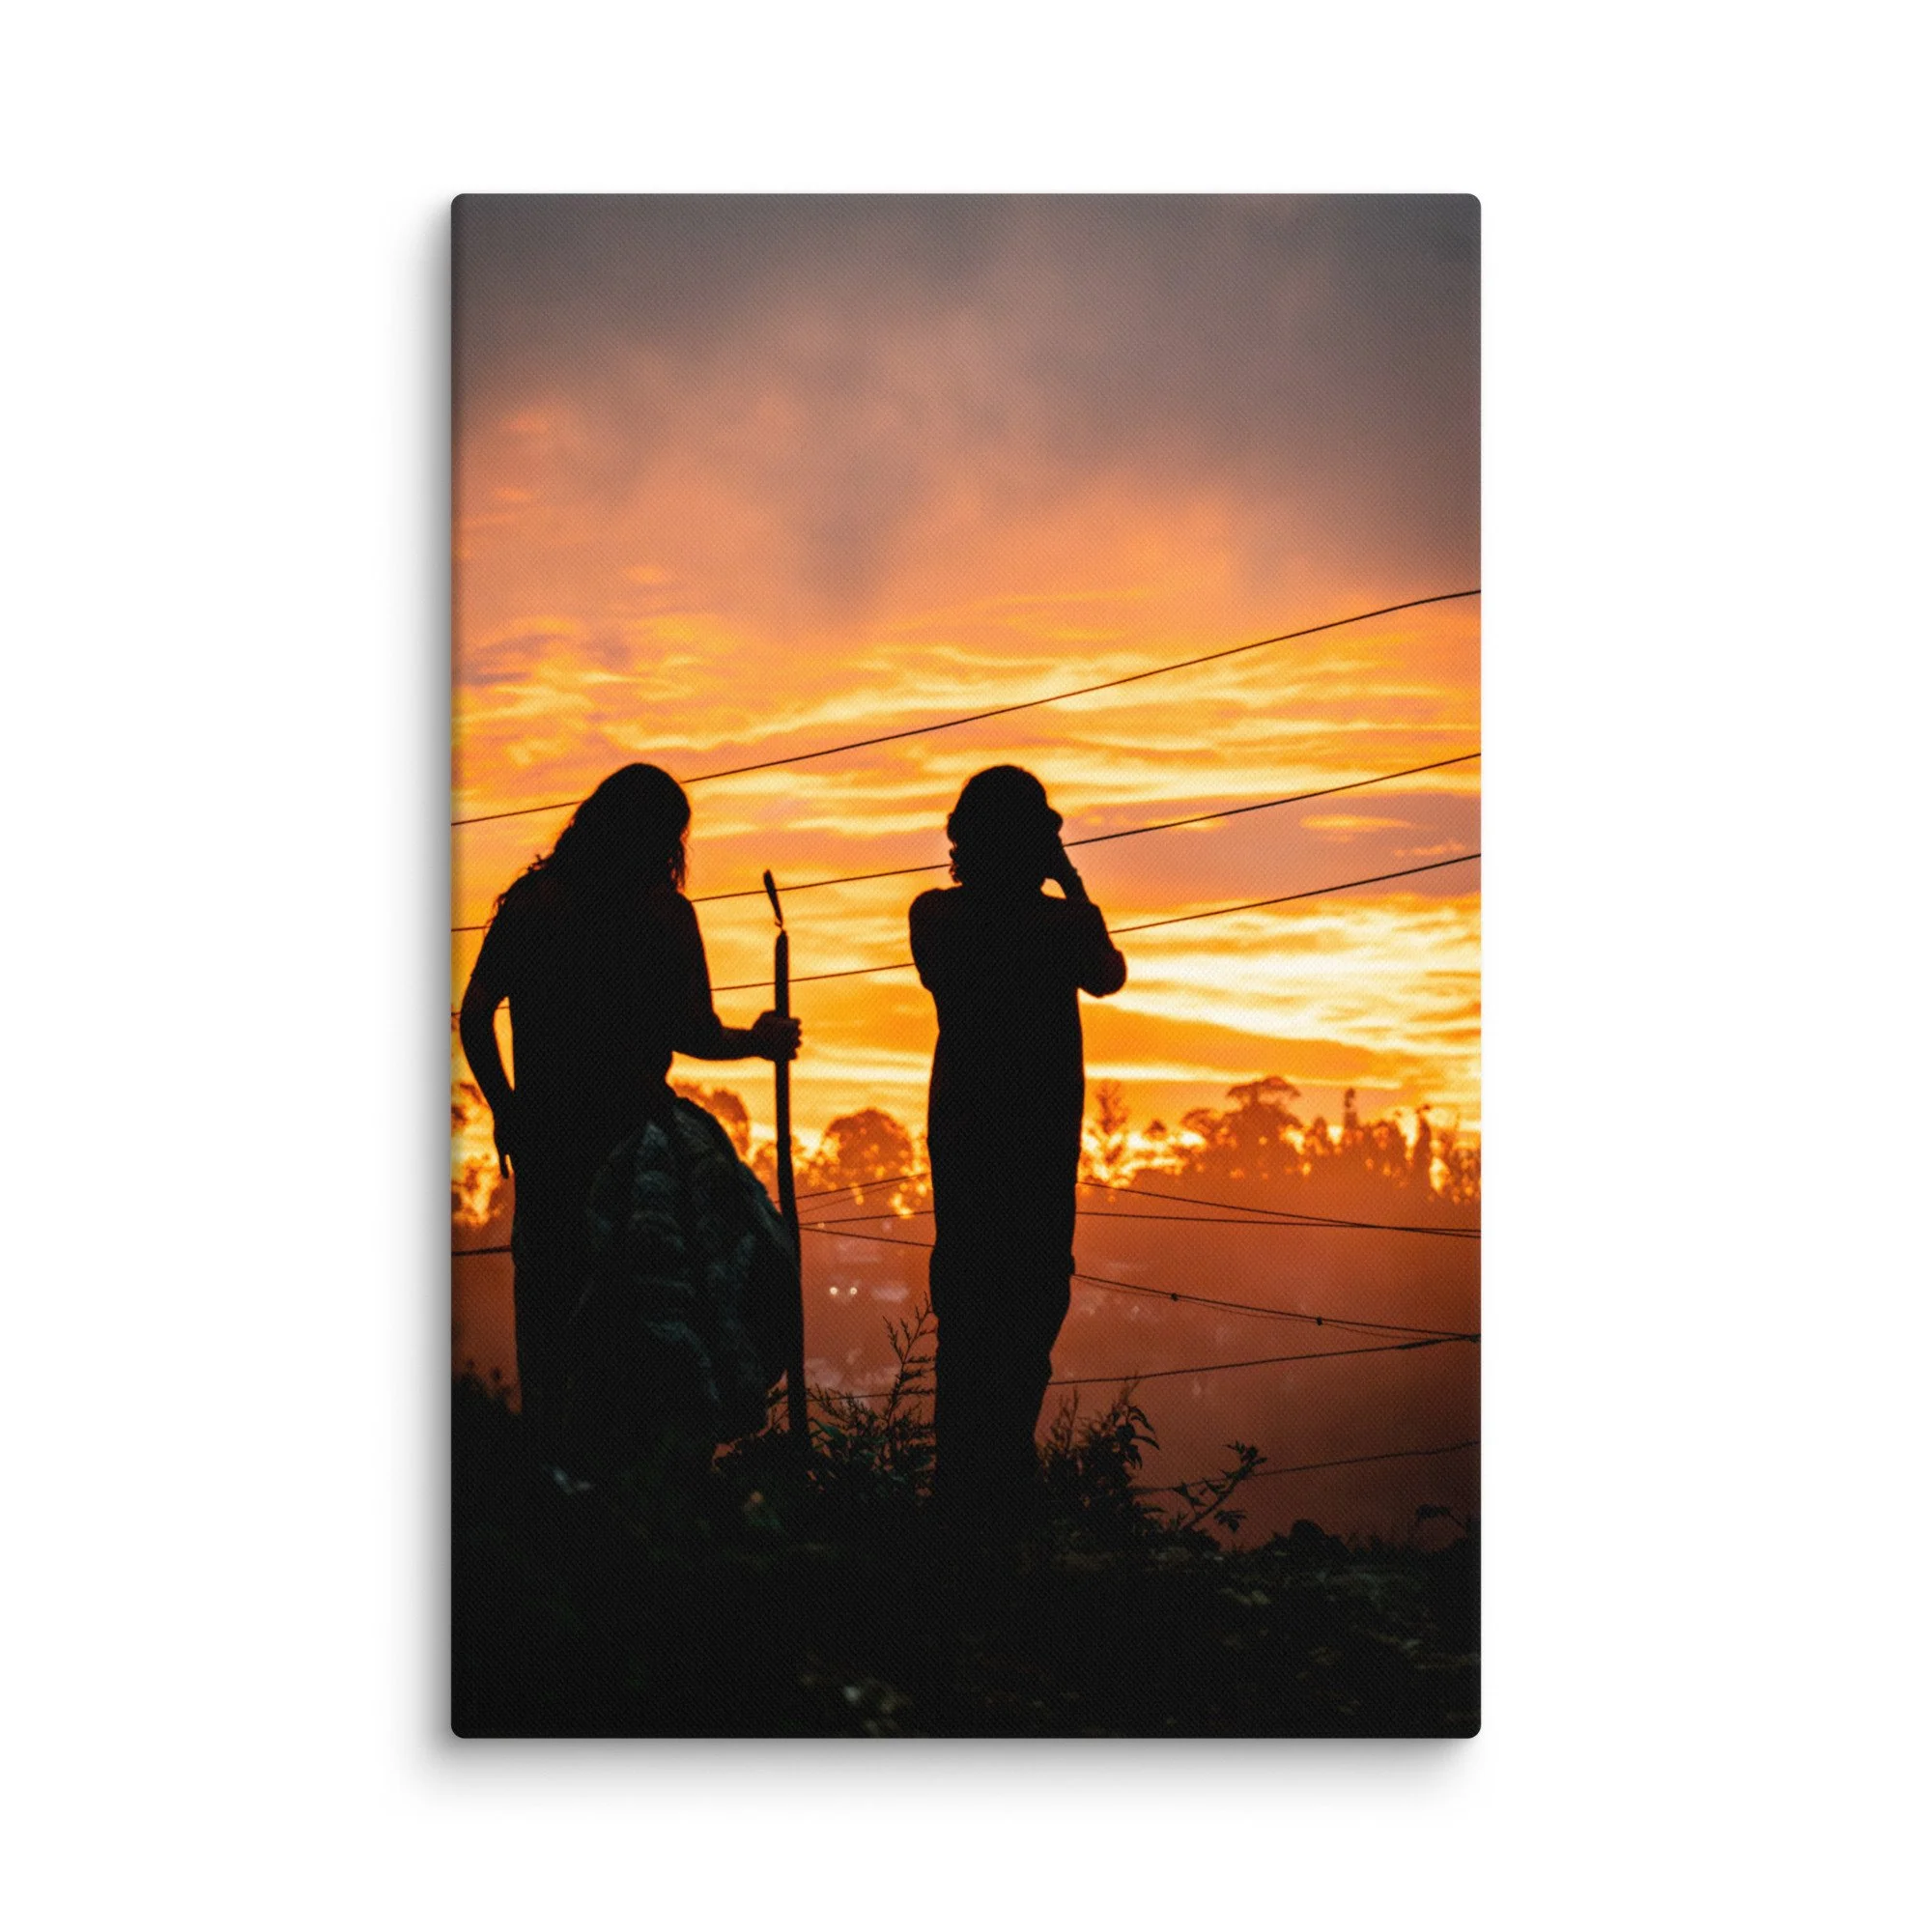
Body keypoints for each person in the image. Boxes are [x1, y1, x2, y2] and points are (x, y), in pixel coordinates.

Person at [458, 763, 800, 1456]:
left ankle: (559, 1471)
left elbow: (475, 1014)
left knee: (555, 1319)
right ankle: (639, 1477)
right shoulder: (661, 915)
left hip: (551, 1143)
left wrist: (509, 1109)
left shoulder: (535, 904)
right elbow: (694, 1032)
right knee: (641, 1319)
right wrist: (758, 1041)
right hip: (631, 1149)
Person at [909, 766, 1126, 1534]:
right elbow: (1109, 975)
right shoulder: (1059, 926)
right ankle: (999, 1481)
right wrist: (1070, 880)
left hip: (966, 1136)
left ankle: (963, 1487)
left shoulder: (936, 916)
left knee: (969, 1309)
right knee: (1029, 1305)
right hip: (1036, 1142)